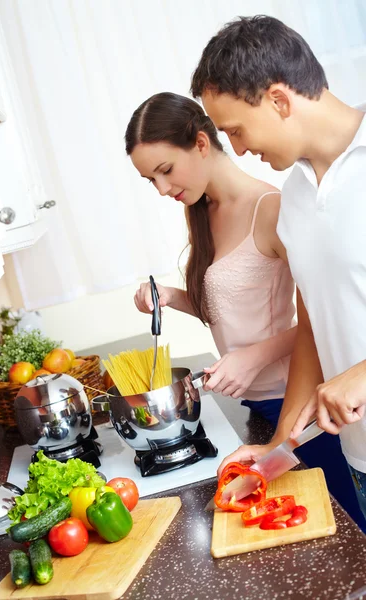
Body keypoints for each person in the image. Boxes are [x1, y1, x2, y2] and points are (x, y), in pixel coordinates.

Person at [190, 14, 366, 529]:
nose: (238, 149)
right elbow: (312, 326)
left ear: (279, 99)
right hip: (360, 458)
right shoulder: (293, 196)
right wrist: (279, 445)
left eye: (236, 131)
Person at [125, 91, 297, 430]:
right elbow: (230, 307)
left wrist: (252, 358)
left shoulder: (271, 209)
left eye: (166, 170)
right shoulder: (202, 209)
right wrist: (172, 297)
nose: (162, 189)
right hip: (253, 400)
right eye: (151, 180)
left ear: (201, 144)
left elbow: (322, 320)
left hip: (292, 399)